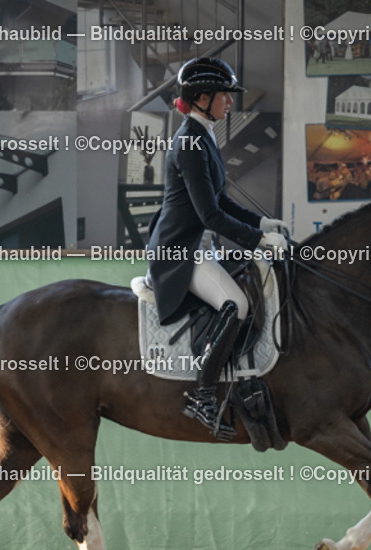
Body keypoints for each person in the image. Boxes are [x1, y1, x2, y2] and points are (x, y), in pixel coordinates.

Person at [146, 57, 288, 437]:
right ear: (202, 98)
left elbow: (220, 200)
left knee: (250, 283)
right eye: (225, 96)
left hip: (200, 245)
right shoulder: (190, 142)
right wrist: (259, 241)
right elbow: (209, 216)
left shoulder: (202, 134)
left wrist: (261, 223)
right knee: (236, 304)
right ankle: (203, 394)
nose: (230, 102)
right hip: (181, 251)